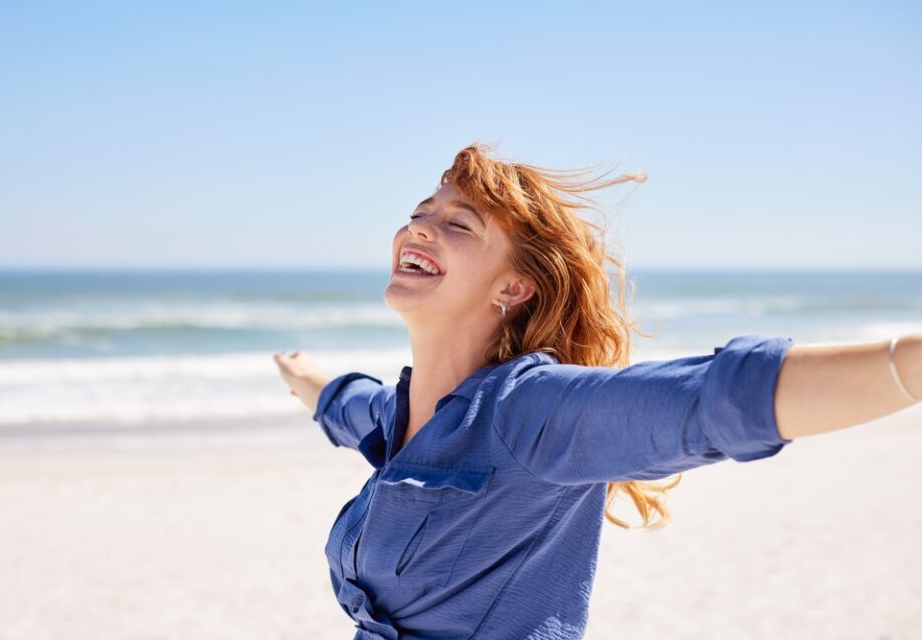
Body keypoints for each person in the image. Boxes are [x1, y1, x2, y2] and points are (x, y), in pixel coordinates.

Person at [274, 142, 921, 640]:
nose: (419, 228)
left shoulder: (530, 413)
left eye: (458, 225)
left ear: (513, 288)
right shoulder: (400, 416)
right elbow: (345, 404)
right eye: (420, 214)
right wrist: (304, 375)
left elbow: (713, 402)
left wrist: (905, 365)